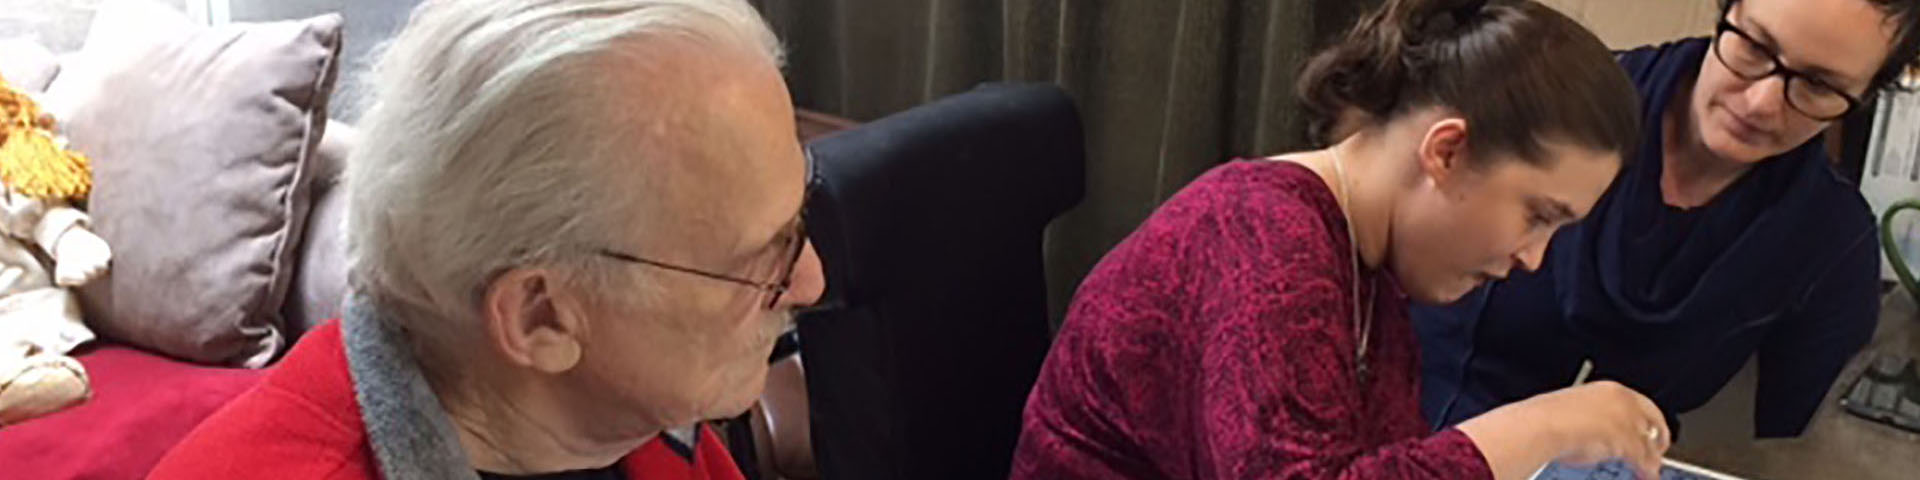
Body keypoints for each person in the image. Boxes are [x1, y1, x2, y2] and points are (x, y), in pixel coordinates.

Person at [148, 0, 825, 478]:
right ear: (541, 317)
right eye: (762, 261)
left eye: (796, 223)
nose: (811, 280)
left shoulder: (632, 421)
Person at [1012, 0, 1675, 478]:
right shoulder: (1262, 238)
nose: (1534, 257)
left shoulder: (1364, 264)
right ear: (1446, 151)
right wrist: (1543, 426)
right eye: (1538, 214)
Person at [1416, 0, 1920, 439]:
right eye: (1755, 47)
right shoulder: (1548, 111)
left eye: (1818, 85)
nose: (1761, 103)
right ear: (1726, 12)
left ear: (1866, 96)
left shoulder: (1831, 245)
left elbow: (1791, 450)